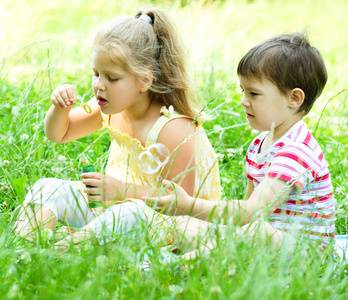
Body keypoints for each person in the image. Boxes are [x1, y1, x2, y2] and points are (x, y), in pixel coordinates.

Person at [14, 7, 220, 251]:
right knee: (46, 187)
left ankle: (59, 253)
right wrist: (60, 108)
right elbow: (59, 133)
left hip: (167, 224)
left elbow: (178, 203)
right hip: (113, 208)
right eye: (95, 73)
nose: (99, 85)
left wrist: (120, 190)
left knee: (129, 212)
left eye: (112, 78)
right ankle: (24, 252)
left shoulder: (173, 127)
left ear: (144, 80)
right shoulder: (111, 107)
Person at [145, 32, 336, 257]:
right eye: (243, 91)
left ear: (294, 98)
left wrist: (189, 205)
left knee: (257, 232)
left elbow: (250, 214)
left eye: (254, 93)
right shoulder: (259, 144)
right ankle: (208, 255)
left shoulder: (296, 151)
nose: (244, 101)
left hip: (306, 254)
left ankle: (187, 264)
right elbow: (245, 216)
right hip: (263, 240)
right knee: (184, 227)